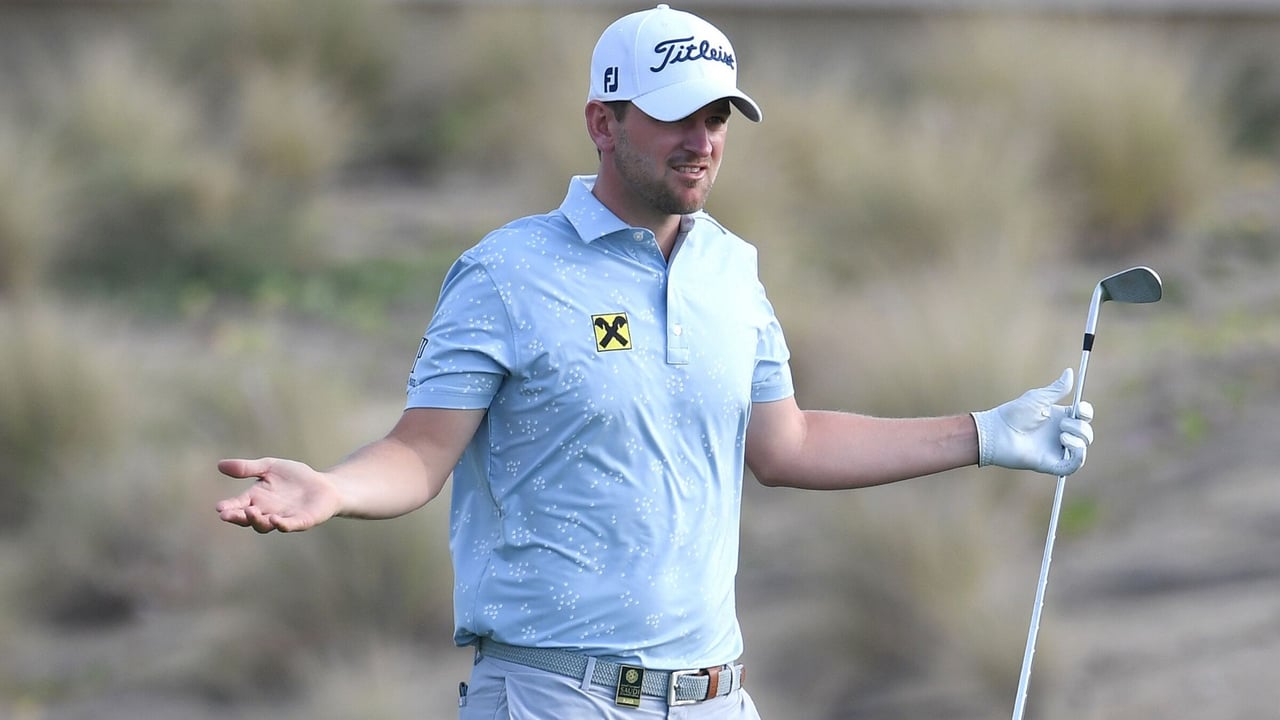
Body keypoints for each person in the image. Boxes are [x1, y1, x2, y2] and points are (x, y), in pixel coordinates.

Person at [215, 4, 1094, 718]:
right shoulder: (506, 272)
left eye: (717, 117)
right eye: (677, 115)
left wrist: (981, 433)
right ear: (604, 121)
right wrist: (333, 488)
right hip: (553, 697)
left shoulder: (733, 269)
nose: (703, 140)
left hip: (716, 696)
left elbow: (785, 445)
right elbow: (420, 451)